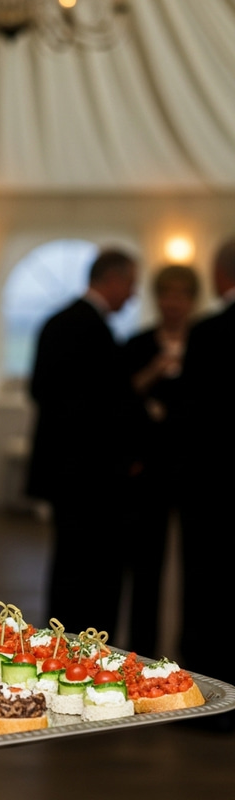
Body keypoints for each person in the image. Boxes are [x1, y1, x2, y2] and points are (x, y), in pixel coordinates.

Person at [26, 248, 138, 639]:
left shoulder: (58, 321)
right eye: (131, 285)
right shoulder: (92, 327)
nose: (133, 295)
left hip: (65, 468)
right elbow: (103, 403)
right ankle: (82, 640)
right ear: (113, 280)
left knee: (70, 561)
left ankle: (64, 637)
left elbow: (39, 389)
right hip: (88, 471)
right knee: (86, 566)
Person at [122, 265, 200, 657]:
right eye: (166, 294)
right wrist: (156, 370)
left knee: (200, 567)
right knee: (145, 564)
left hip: (195, 470)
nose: (173, 302)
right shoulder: (137, 344)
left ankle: (194, 654)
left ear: (192, 300)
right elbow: (122, 397)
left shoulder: (208, 341)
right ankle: (143, 652)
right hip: (149, 469)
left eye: (181, 295)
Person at [176, 237, 235, 729]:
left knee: (208, 593)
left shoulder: (210, 332)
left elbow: (189, 416)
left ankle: (212, 707)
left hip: (213, 489)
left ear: (220, 276)